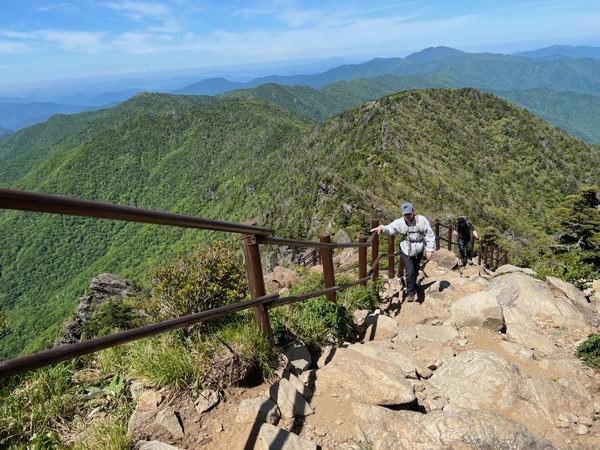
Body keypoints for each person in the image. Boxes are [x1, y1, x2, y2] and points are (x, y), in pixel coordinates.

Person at [370, 201, 436, 302]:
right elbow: (390, 228)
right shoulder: (400, 222)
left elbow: (429, 234)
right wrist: (382, 228)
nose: (408, 216)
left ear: (413, 211)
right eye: (405, 214)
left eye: (409, 213)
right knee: (409, 271)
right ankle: (411, 292)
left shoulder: (422, 220)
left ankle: (414, 285)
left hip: (418, 249)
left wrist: (429, 250)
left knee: (415, 269)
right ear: (402, 214)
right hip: (406, 249)